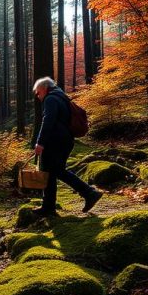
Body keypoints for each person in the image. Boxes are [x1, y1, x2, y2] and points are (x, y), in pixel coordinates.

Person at [32, 77, 102, 216]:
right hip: (65, 141)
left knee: (55, 171)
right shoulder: (62, 98)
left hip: (55, 142)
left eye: (38, 93)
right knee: (51, 172)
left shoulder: (50, 99)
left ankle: (89, 192)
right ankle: (48, 207)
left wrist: (40, 142)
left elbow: (48, 121)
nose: (38, 96)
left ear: (45, 88)